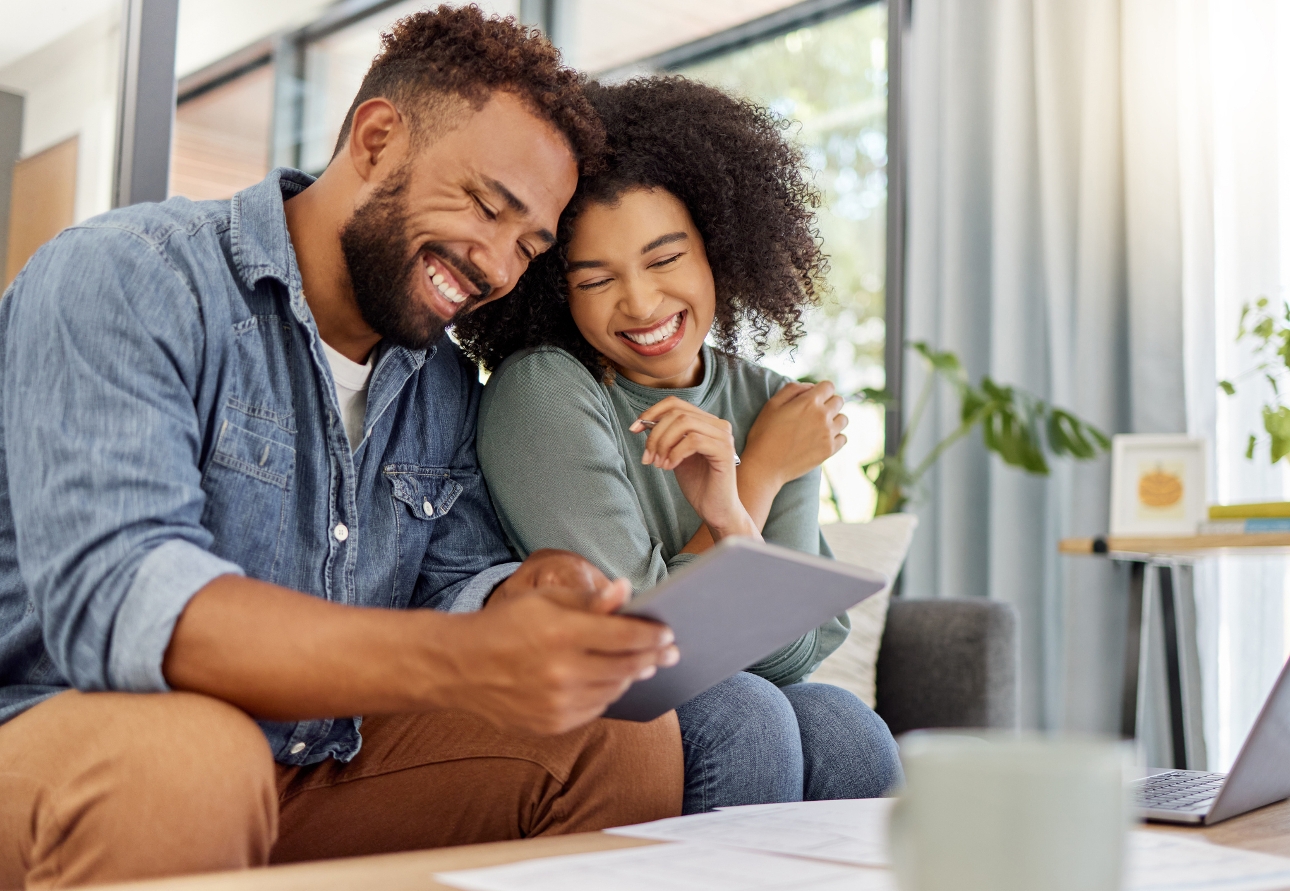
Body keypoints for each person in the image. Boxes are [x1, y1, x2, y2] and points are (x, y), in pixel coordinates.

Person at [0, 9, 686, 888]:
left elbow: (455, 581)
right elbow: (126, 597)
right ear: (376, 138)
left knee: (619, 730)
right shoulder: (129, 275)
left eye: (529, 244)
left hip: (315, 767)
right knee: (192, 760)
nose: (500, 268)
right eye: (486, 204)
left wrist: (527, 591)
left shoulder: (437, 381)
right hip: (74, 741)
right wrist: (462, 659)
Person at [456, 77, 904, 815]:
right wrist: (754, 478)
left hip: (725, 693)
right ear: (557, 292)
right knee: (744, 712)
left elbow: (794, 654)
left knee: (843, 724)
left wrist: (732, 514)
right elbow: (641, 649)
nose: (639, 303)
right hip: (579, 708)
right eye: (596, 279)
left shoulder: (770, 400)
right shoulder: (544, 390)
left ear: (718, 251)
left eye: (665, 260)